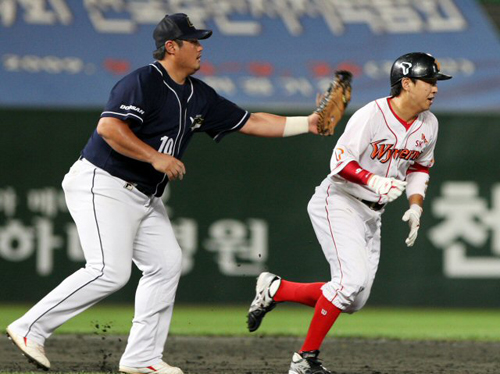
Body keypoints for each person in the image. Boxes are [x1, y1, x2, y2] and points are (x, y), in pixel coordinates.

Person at [6, 13, 322, 374]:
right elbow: (109, 127)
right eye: (193, 41)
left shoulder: (199, 95)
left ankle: (142, 359)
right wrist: (154, 156)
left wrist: (308, 124)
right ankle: (31, 327)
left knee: (166, 263)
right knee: (109, 270)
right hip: (103, 182)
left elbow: (250, 121)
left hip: (142, 196)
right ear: (172, 47)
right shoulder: (144, 81)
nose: (201, 47)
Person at [247, 52, 452, 374]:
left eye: (436, 82)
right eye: (428, 81)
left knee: (353, 300)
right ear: (407, 83)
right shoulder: (372, 115)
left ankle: (275, 289)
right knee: (349, 283)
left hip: (373, 214)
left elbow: (420, 166)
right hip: (340, 200)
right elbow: (340, 163)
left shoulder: (430, 123)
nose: (435, 88)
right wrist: (375, 180)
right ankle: (304, 360)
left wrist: (415, 205)